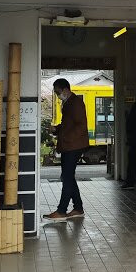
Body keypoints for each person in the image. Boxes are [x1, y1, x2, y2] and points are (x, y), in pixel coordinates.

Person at [43, 77, 90, 221]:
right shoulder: (68, 103)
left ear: (65, 89)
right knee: (68, 177)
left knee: (67, 177)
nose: (57, 95)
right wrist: (56, 129)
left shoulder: (75, 103)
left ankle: (62, 210)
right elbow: (67, 125)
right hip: (70, 145)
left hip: (73, 146)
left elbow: (81, 126)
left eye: (58, 92)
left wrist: (66, 138)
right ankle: (78, 208)